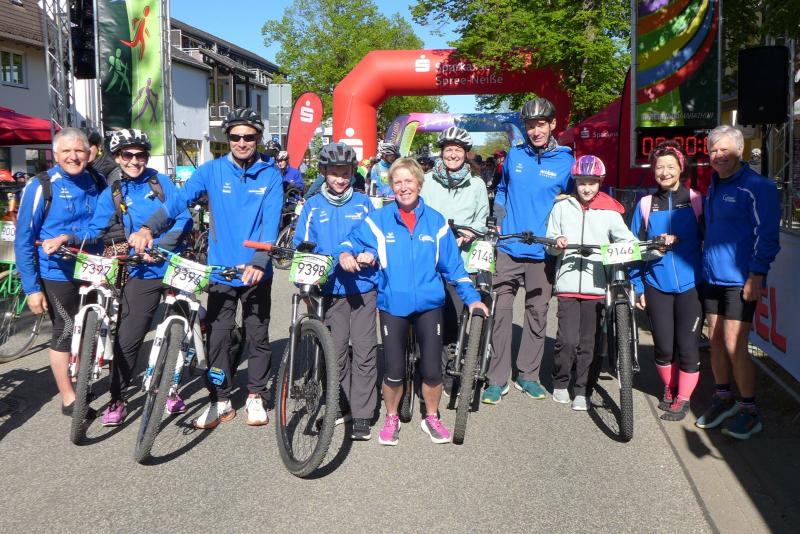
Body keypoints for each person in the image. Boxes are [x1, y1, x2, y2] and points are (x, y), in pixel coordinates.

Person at [129, 107, 283, 429]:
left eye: (249, 137)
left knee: (257, 334)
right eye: (235, 137)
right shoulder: (211, 170)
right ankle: (220, 398)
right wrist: (147, 228)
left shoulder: (270, 174)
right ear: (228, 138)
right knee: (218, 338)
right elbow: (177, 201)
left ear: (257, 138)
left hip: (255, 269)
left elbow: (271, 220)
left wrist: (260, 259)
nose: (242, 142)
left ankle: (256, 394)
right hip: (220, 270)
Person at [43, 129, 193, 426]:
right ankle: (118, 397)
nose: (135, 161)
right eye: (127, 155)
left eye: (141, 155)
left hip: (172, 263)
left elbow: (184, 218)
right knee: (128, 336)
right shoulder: (113, 192)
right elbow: (95, 230)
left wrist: (160, 246)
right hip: (142, 269)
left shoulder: (160, 182)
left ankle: (172, 387)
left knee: (185, 327)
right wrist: (68, 237)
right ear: (117, 157)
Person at [338, 158, 488, 446]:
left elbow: (454, 268)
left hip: (430, 306)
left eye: (409, 181)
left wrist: (472, 300)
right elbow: (350, 241)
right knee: (394, 371)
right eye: (397, 182)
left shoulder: (437, 222)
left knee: (432, 370)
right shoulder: (379, 219)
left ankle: (431, 416)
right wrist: (345, 254)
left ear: (419, 184)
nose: (403, 187)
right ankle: (392, 417)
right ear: (391, 187)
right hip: (393, 305)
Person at [483, 97, 574, 404]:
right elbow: (503, 189)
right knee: (501, 314)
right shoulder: (515, 154)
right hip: (508, 246)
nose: (536, 131)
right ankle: (497, 378)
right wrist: (497, 216)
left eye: (541, 125)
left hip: (542, 252)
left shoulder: (566, 161)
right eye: (531, 125)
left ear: (552, 125)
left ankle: (528, 375)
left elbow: (576, 200)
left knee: (537, 314)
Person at [695, 125, 780, 439]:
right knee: (715, 339)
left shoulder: (758, 187)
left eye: (725, 150)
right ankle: (723, 397)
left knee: (734, 344)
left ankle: (749, 410)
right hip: (712, 277)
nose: (718, 156)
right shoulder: (714, 183)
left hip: (740, 280)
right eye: (713, 150)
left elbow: (767, 235)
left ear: (740, 151)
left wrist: (757, 274)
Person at [14, 128, 105, 416]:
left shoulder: (97, 180)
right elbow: (23, 240)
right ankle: (69, 398)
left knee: (91, 327)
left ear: (89, 153)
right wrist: (32, 288)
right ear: (55, 155)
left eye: (79, 150)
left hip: (92, 268)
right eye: (66, 151)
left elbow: (105, 224)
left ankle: (82, 375)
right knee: (65, 329)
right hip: (56, 272)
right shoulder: (40, 186)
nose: (73, 157)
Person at [293, 142, 379, 440]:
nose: (340, 179)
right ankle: (344, 404)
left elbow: (377, 240)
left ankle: (363, 413)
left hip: (363, 287)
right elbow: (302, 248)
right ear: (323, 172)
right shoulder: (313, 206)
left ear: (353, 172)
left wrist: (371, 254)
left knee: (365, 351)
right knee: (337, 352)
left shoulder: (364, 204)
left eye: (345, 173)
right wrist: (305, 282)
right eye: (334, 173)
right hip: (330, 290)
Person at [546, 155, 635, 410]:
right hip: (567, 284)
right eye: (582, 182)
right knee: (567, 341)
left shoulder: (610, 211)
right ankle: (560, 382)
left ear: (600, 183)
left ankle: (582, 389)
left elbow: (627, 240)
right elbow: (550, 242)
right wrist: (557, 242)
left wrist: (628, 249)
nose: (586, 188)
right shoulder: (561, 207)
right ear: (575, 182)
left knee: (589, 343)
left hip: (596, 286)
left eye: (592, 183)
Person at [629, 141, 704, 421]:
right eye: (659, 167)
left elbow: (709, 242)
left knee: (688, 346)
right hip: (656, 286)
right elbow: (634, 248)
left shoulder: (696, 200)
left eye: (670, 166)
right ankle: (670, 389)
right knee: (663, 346)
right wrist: (638, 286)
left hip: (691, 286)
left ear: (681, 168)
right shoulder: (646, 205)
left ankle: (683, 399)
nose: (665, 172)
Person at [420, 127, 489, 391]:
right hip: (429, 256)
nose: (452, 154)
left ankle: (450, 363)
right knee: (429, 314)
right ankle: (426, 365)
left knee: (454, 315)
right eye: (448, 149)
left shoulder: (477, 184)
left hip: (461, 256)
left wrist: (468, 234)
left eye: (458, 150)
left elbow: (481, 218)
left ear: (465, 153)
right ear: (441, 153)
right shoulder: (427, 181)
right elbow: (417, 212)